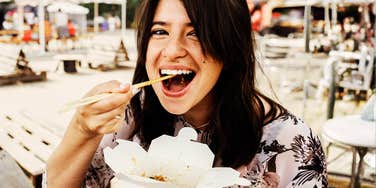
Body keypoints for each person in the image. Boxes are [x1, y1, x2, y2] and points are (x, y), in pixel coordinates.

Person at [45, 0, 327, 187]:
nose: (171, 50)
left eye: (195, 33)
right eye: (159, 32)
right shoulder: (128, 114)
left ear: (229, 48)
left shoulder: (292, 144)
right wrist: (81, 129)